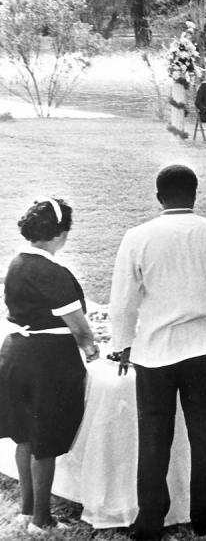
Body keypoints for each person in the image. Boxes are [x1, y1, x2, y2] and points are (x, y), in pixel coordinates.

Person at [111, 165, 206, 541]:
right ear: (195, 194)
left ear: (158, 197)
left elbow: (123, 300)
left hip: (154, 352)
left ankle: (149, 521)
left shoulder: (138, 236)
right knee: (205, 434)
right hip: (201, 346)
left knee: (153, 437)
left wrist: (120, 345)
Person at [0, 199, 98, 534]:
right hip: (48, 361)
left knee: (24, 435)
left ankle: (28, 511)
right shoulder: (54, 272)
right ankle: (43, 520)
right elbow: (81, 329)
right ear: (61, 234)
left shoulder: (16, 262)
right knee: (45, 439)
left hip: (14, 354)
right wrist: (94, 350)